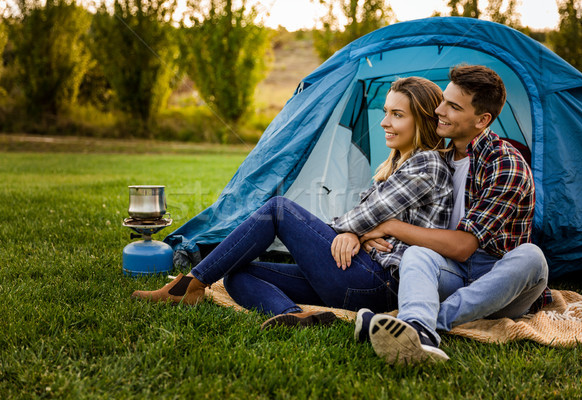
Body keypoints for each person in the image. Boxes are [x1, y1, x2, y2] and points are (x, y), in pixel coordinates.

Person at [131, 76, 453, 329]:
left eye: (397, 115)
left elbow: (360, 218)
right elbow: (363, 220)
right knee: (236, 275)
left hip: (378, 281)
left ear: (422, 120)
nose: (384, 122)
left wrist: (360, 231)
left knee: (279, 209)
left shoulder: (427, 164)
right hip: (359, 277)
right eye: (385, 112)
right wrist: (361, 232)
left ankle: (187, 285)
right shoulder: (398, 163)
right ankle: (293, 316)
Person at [353, 65, 550, 365]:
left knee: (532, 257)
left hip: (500, 281)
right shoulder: (437, 159)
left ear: (482, 120)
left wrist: (388, 226)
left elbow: (463, 246)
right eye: (443, 100)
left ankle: (421, 325)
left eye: (453, 107)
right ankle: (419, 329)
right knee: (417, 255)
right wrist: (368, 236)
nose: (438, 110)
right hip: (454, 272)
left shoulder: (505, 163)